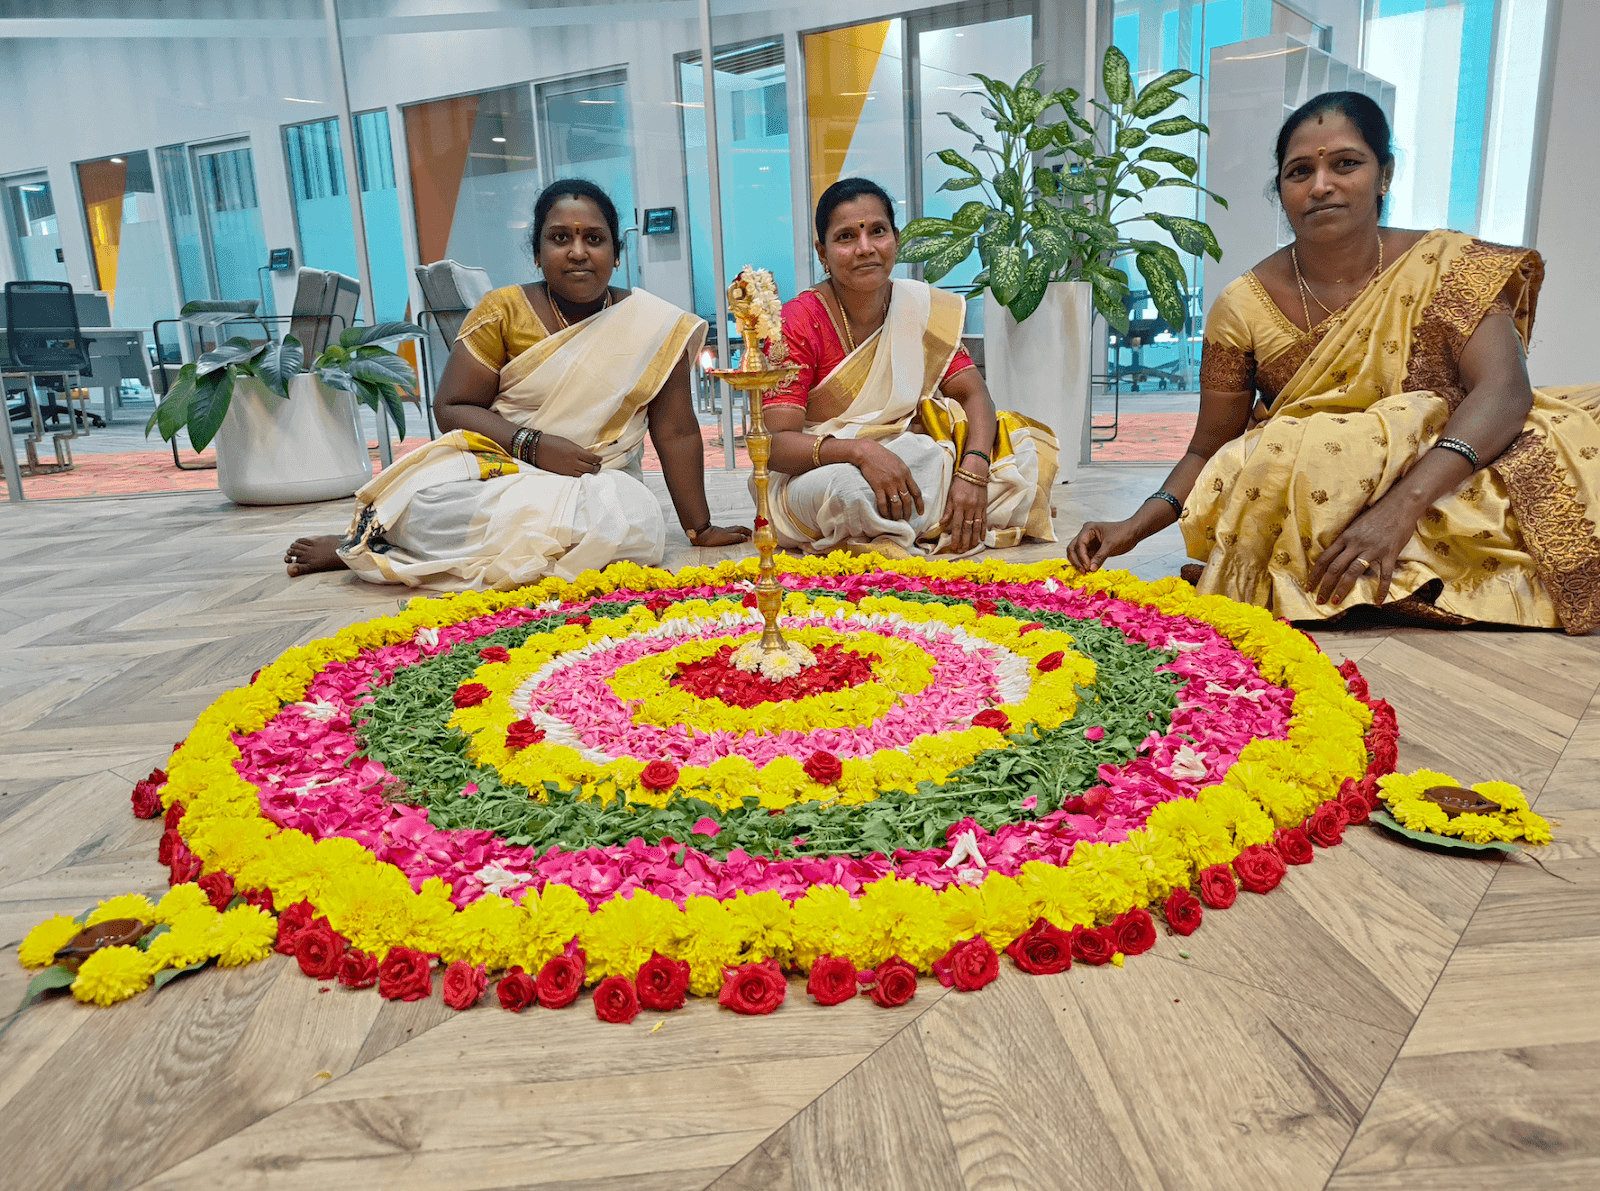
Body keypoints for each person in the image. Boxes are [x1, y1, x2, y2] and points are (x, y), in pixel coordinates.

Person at [1067, 91, 1600, 633]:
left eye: (1345, 163)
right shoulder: (1242, 305)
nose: (1321, 185)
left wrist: (1398, 510)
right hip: (1326, 498)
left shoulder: (1448, 265)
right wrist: (1132, 527)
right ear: (1281, 190)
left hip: (1455, 472)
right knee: (1291, 449)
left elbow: (1505, 393)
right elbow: (1209, 448)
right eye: (1300, 171)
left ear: (1383, 175)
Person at [284, 179, 749, 588]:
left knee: (633, 520)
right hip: (502, 467)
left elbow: (677, 431)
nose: (578, 251)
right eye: (559, 238)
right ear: (536, 252)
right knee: (424, 506)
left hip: (595, 477)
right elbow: (453, 407)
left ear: (616, 253)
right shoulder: (502, 309)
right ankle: (365, 543)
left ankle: (459, 550)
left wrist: (700, 527)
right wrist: (534, 445)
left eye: (594, 238)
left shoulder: (652, 324)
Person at [760, 177, 1059, 559]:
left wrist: (973, 470)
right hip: (816, 473)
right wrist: (862, 452)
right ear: (823, 252)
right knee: (850, 491)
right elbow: (775, 444)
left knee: (961, 451)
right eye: (846, 237)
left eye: (878, 232)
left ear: (896, 239)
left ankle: (897, 528)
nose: (865, 249)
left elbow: (973, 394)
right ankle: (937, 519)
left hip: (905, 461)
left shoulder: (919, 308)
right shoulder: (796, 322)